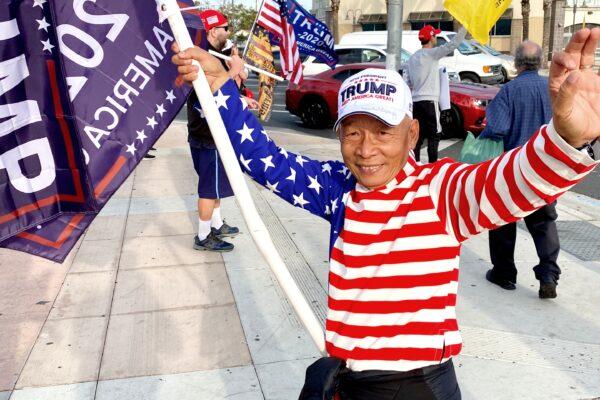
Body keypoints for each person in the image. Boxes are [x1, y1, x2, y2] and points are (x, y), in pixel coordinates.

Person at [172, 28, 600, 399]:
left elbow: (509, 184)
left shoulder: (439, 191)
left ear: (412, 132)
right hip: (350, 379)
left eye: (383, 132)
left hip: (415, 388)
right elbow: (262, 157)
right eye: (352, 132)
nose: (365, 149)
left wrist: (564, 141)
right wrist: (219, 88)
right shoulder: (339, 189)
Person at [478, 41, 561, 298]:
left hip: (514, 169)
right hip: (546, 168)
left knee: (502, 218)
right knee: (544, 222)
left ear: (516, 63)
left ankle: (504, 274)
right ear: (539, 63)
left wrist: (486, 126)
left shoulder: (509, 91)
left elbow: (498, 128)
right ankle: (548, 274)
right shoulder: (553, 90)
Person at [186, 10, 247, 252]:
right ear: (213, 30)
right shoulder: (201, 58)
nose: (228, 32)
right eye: (225, 27)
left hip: (212, 134)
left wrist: (242, 94)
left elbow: (227, 92)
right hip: (206, 134)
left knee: (216, 184)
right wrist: (233, 71)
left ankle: (217, 223)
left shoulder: (216, 55)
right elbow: (210, 92)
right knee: (208, 189)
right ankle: (203, 236)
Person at [406, 25, 467, 163]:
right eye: (435, 36)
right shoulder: (433, 53)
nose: (436, 39)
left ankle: (415, 166)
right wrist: (464, 27)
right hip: (430, 102)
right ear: (431, 37)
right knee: (434, 135)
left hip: (415, 102)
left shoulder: (412, 58)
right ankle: (433, 166)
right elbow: (453, 44)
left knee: (418, 136)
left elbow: (408, 81)